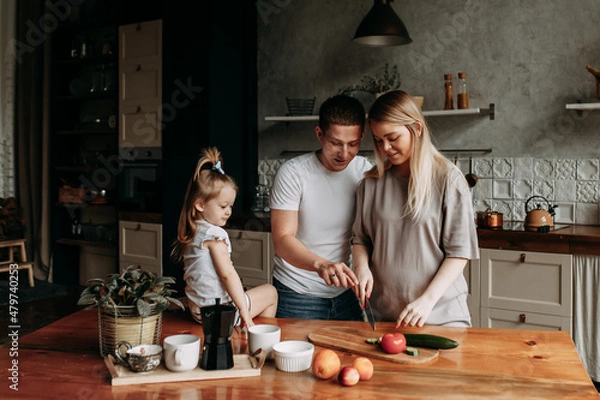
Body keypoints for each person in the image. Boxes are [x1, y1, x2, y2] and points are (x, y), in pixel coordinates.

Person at [352, 90, 479, 328]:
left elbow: (459, 252)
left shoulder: (448, 180)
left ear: (417, 129)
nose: (385, 148)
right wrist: (361, 268)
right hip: (385, 318)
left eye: (392, 138)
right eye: (379, 140)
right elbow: (360, 239)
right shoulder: (370, 184)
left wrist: (427, 301)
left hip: (441, 317)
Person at [269, 94, 372, 320]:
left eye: (352, 144)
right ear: (319, 135)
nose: (344, 154)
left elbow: (367, 233)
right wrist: (321, 265)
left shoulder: (364, 171)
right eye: (335, 143)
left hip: (346, 293)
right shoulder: (293, 173)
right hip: (297, 292)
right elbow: (283, 240)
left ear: (362, 136)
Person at [171, 147, 277, 328]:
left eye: (231, 206)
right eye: (223, 206)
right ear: (200, 205)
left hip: (199, 312)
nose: (228, 212)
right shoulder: (215, 235)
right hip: (221, 314)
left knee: (248, 295)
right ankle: (256, 336)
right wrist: (244, 311)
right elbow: (228, 275)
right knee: (271, 292)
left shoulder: (193, 231)